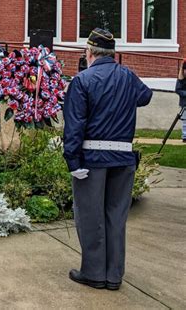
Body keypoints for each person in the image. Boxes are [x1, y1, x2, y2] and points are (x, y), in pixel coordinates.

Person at [63, 27, 152, 291]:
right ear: (113, 54)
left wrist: (72, 160)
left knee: (91, 218)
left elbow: (75, 125)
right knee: (116, 217)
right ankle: (114, 275)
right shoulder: (128, 76)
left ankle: (94, 273)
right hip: (123, 158)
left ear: (89, 52)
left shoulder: (83, 80)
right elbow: (145, 96)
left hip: (92, 159)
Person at [175, 60, 186, 143]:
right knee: (185, 120)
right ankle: (185, 136)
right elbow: (178, 90)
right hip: (185, 103)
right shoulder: (181, 79)